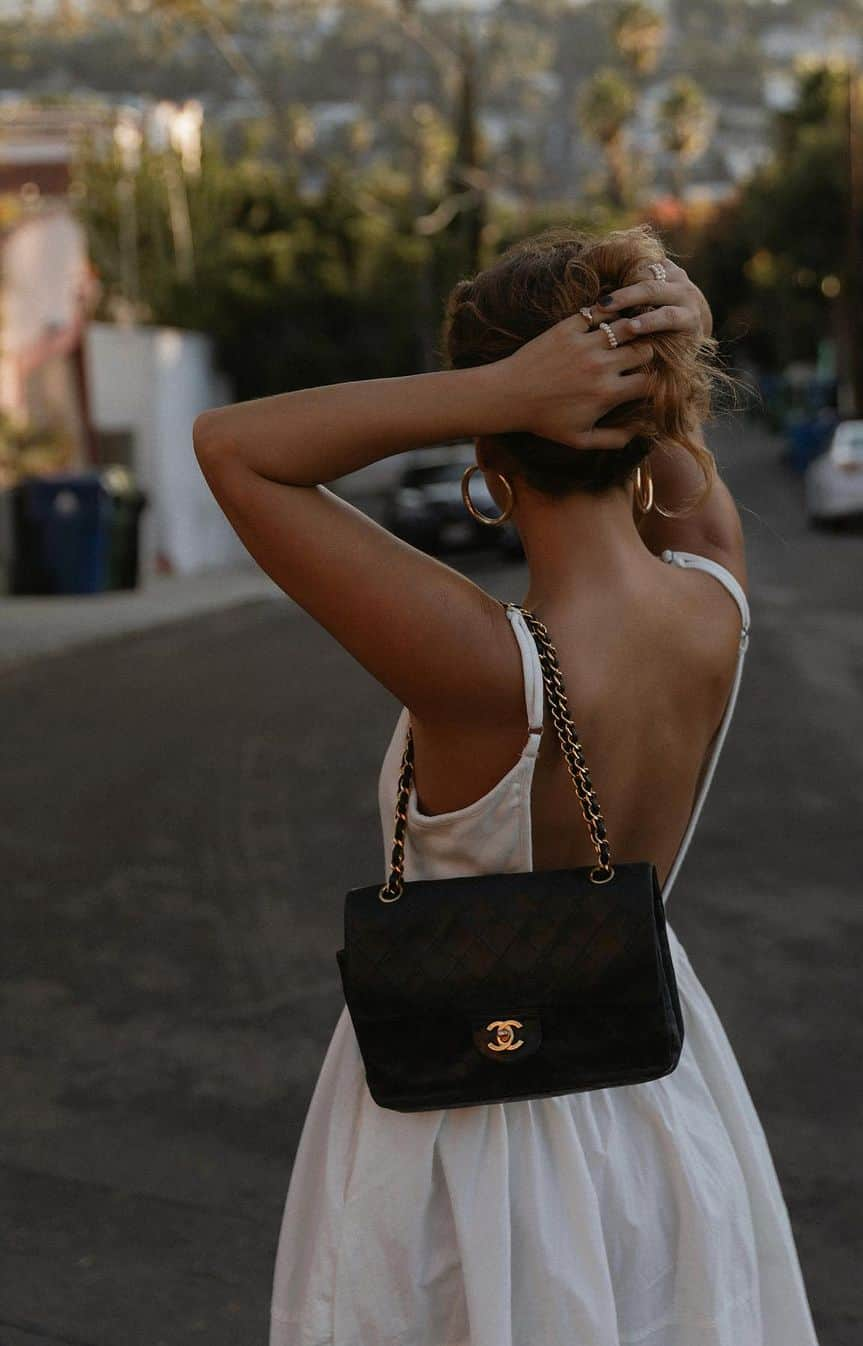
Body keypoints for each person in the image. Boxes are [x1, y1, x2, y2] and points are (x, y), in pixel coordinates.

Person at [193, 223, 819, 1346]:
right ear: (657, 406)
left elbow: (235, 447)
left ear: (495, 447)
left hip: (466, 1129)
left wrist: (497, 388)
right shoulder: (713, 598)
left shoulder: (487, 668)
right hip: (657, 1101)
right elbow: (694, 490)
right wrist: (669, 343)